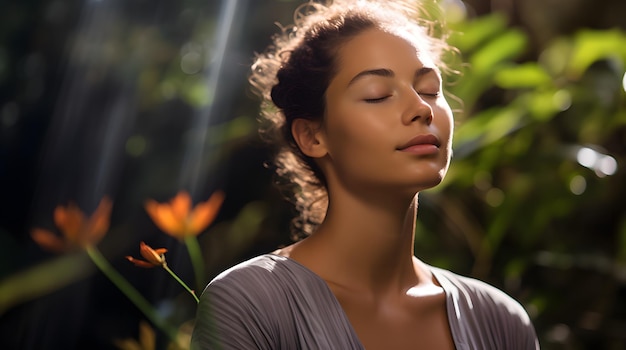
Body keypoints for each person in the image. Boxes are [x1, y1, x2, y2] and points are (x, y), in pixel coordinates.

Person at [191, 0, 540, 348]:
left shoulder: (500, 321)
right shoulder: (250, 305)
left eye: (430, 90)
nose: (421, 108)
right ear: (313, 136)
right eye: (377, 95)